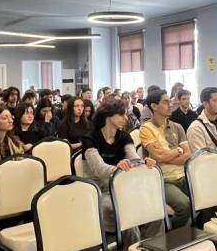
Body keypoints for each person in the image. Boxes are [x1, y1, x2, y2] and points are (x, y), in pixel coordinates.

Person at [80, 99, 156, 233]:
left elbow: (134, 158)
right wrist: (118, 168)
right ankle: (133, 246)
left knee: (155, 207)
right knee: (127, 214)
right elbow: (99, 169)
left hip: (122, 186)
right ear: (108, 115)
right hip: (100, 190)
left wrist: (144, 163)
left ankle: (146, 242)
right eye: (122, 114)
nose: (126, 118)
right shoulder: (89, 138)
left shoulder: (124, 136)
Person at [138, 89, 192, 228]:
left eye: (170, 102)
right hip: (164, 179)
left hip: (184, 175)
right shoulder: (146, 128)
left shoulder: (177, 127)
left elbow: (188, 155)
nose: (170, 105)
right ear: (154, 106)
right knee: (184, 206)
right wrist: (178, 151)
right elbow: (159, 156)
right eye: (166, 102)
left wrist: (168, 155)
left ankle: (197, 230)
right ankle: (172, 235)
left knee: (209, 196)